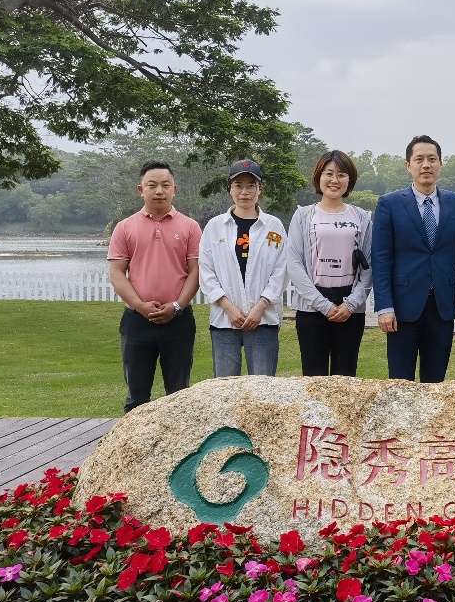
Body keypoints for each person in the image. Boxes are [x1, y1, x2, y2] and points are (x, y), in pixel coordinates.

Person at [371, 135, 455, 382]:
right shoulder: (389, 204)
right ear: (408, 165)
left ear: (441, 164)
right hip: (402, 309)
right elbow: (381, 259)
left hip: (441, 307)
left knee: (436, 383)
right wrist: (384, 307)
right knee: (400, 384)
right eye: (419, 159)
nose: (426, 165)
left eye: (432, 159)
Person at [108, 160, 201, 411]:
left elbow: (195, 271)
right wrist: (140, 306)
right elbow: (117, 274)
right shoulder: (125, 228)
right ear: (141, 190)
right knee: (136, 398)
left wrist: (177, 306)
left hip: (178, 321)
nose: (159, 191)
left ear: (174, 189)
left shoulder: (190, 227)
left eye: (165, 185)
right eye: (152, 185)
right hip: (137, 321)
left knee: (179, 397)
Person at [286, 150, 373, 376]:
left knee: (345, 378)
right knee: (313, 379)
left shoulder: (362, 217)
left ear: (349, 180)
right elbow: (294, 263)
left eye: (341, 175)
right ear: (319, 177)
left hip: (350, 307)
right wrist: (322, 304)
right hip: (312, 306)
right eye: (329, 173)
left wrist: (351, 304)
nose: (335, 180)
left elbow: (369, 265)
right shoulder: (303, 216)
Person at [199, 160, 288, 377]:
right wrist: (227, 307)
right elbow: (206, 270)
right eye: (238, 185)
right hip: (224, 320)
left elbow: (281, 270)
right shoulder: (214, 227)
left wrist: (261, 306)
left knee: (263, 386)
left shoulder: (274, 226)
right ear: (230, 188)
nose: (244, 192)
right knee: (226, 387)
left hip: (263, 320)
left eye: (251, 186)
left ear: (260, 189)